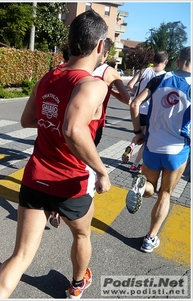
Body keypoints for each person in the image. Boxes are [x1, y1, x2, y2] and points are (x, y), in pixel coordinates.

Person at [0, 10, 110, 299]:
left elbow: (27, 120)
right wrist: (103, 172)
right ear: (100, 46)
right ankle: (77, 285)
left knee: (19, 257)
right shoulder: (93, 85)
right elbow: (73, 129)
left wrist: (52, 122)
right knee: (81, 234)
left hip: (36, 178)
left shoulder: (48, 77)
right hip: (71, 183)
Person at [48, 37, 130, 229]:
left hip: (65, 119)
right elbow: (127, 99)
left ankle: (54, 205)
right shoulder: (109, 71)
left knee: (62, 158)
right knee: (81, 164)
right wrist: (109, 90)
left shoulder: (67, 66)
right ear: (104, 52)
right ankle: (73, 204)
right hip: (92, 126)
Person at [126, 46, 190, 254]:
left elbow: (135, 103)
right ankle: (149, 239)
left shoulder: (159, 78)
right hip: (177, 150)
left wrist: (138, 131)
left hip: (152, 146)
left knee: (150, 186)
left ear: (178, 61)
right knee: (165, 193)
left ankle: (140, 188)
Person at [123, 51, 169, 172]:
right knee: (147, 140)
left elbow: (129, 85)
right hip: (151, 112)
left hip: (138, 109)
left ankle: (132, 145)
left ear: (153, 60)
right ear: (165, 62)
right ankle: (136, 164)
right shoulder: (165, 76)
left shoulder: (144, 71)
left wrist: (138, 95)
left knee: (139, 133)